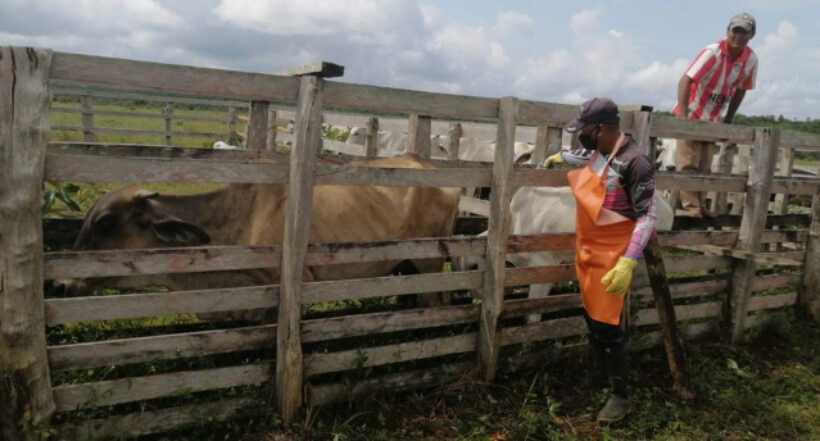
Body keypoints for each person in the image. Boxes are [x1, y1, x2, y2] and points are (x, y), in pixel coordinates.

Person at [540, 98, 658, 423]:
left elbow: (648, 216)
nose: (582, 137)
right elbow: (586, 157)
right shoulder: (601, 152)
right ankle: (599, 375)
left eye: (585, 131)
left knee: (608, 327)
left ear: (603, 129)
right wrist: (560, 157)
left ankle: (621, 397)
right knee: (591, 318)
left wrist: (629, 261)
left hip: (613, 256)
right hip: (588, 251)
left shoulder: (636, 162)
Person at [674, 12, 758, 218]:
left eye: (743, 32)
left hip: (714, 117)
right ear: (728, 31)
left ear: (751, 35)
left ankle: (700, 205)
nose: (737, 36)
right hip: (694, 112)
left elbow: (741, 89)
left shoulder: (751, 60)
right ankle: (690, 207)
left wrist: (728, 118)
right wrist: (683, 117)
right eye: (734, 30)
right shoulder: (713, 52)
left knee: (705, 165)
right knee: (688, 163)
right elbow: (686, 80)